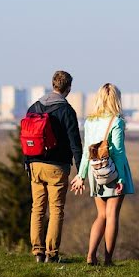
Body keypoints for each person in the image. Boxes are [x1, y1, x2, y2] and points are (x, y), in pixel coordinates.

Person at [70, 82, 135, 266]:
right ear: (116, 100)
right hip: (114, 172)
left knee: (101, 215)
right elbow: (119, 153)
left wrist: (81, 175)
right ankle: (108, 259)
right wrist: (121, 178)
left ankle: (91, 256)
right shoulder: (117, 121)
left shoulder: (90, 121)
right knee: (112, 214)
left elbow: (86, 152)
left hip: (95, 172)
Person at [25, 70, 83, 263]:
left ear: (52, 84)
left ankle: (37, 253)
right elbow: (75, 143)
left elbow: (26, 137)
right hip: (57, 168)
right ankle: (52, 254)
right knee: (56, 209)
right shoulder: (67, 111)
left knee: (37, 209)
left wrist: (27, 163)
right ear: (68, 88)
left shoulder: (34, 107)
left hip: (35, 164)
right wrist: (80, 170)